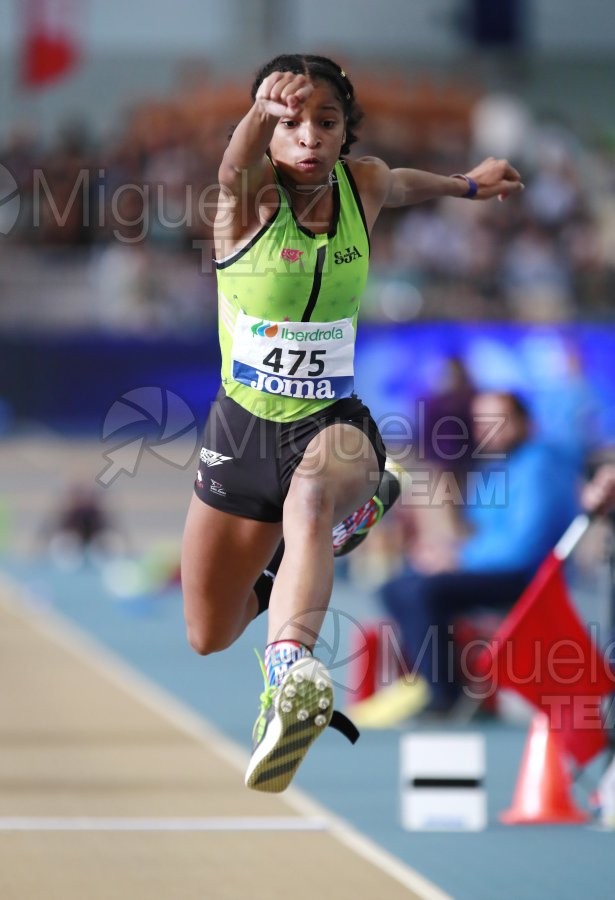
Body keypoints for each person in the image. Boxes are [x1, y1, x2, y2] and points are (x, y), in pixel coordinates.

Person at [180, 53, 524, 793]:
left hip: (329, 425)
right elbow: (231, 165)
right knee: (207, 632)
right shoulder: (242, 205)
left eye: (324, 123)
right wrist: (253, 117)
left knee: (309, 496)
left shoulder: (359, 184)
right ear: (268, 135)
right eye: (288, 123)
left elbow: (397, 181)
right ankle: (298, 568)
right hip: (239, 433)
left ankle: (289, 677)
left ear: (344, 134)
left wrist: (469, 184)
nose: (306, 136)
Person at [349, 393, 615, 728]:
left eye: (498, 420)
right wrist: (445, 550)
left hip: (526, 577)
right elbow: (483, 534)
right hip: (491, 569)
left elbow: (524, 546)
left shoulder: (541, 466)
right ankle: (431, 682)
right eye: (481, 421)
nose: (488, 429)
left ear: (524, 423)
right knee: (399, 585)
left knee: (421, 592)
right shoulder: (495, 466)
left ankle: (444, 696)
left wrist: (459, 559)